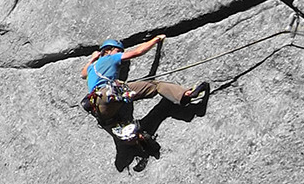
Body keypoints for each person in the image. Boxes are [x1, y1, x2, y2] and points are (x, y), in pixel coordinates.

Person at [80, 36, 208, 131]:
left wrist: (93, 58)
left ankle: (138, 143)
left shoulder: (92, 67)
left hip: (100, 109)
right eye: (118, 51)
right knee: (155, 85)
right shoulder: (110, 57)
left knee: (124, 125)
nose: (120, 54)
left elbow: (83, 74)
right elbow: (137, 52)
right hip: (108, 93)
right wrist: (155, 40)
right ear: (108, 50)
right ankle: (185, 94)